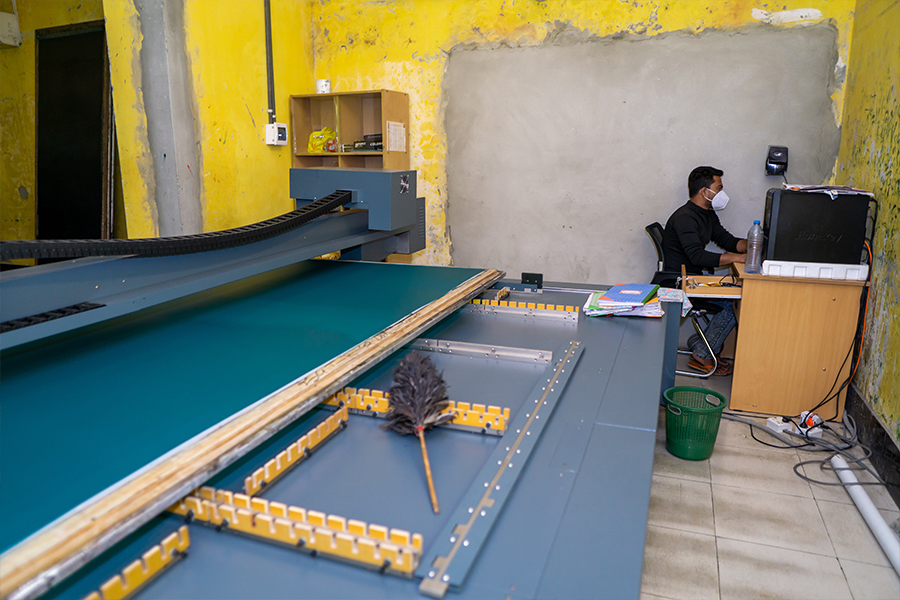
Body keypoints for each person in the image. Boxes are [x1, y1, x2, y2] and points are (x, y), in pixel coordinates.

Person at [662, 166, 747, 375]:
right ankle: (703, 353)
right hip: (680, 282)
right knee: (734, 304)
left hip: (693, 279)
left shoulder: (707, 214)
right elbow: (697, 256)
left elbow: (727, 240)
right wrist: (736, 258)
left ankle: (700, 343)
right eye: (719, 188)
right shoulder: (685, 218)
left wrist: (755, 244)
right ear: (704, 191)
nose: (722, 193)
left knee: (735, 297)